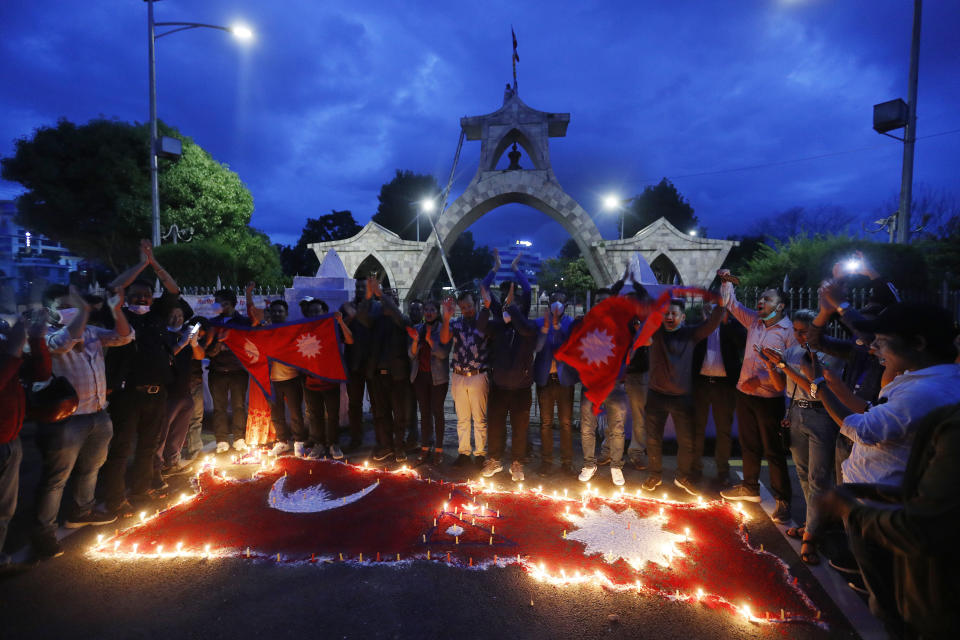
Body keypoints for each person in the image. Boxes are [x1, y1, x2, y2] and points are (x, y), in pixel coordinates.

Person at [817, 401, 960, 638]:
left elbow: (921, 528)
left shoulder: (945, 416)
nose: (883, 361)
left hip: (941, 601)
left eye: (887, 359)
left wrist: (850, 510)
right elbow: (935, 495)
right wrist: (877, 492)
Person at [36, 285, 132, 557]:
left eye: (76, 305)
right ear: (52, 309)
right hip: (66, 420)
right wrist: (84, 311)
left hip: (98, 413)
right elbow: (65, 342)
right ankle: (44, 533)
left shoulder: (91, 333)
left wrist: (115, 310)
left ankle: (81, 511)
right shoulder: (46, 335)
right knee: (56, 477)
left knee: (92, 467)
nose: (75, 310)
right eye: (67, 305)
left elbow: (124, 337)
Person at [100, 239, 182, 512]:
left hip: (157, 393)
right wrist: (140, 263)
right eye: (135, 295)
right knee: (121, 449)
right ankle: (114, 499)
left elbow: (173, 289)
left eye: (146, 296)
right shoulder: (119, 316)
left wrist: (154, 263)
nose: (141, 299)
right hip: (127, 395)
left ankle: (140, 492)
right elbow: (115, 287)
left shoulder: (156, 316)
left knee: (148, 447)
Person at [760, 309, 840, 564]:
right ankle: (812, 524)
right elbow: (780, 386)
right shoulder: (793, 352)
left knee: (818, 478)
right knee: (803, 475)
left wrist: (784, 365)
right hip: (795, 414)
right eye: (795, 331)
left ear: (818, 331)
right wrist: (772, 366)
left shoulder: (832, 356)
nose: (798, 335)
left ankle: (811, 538)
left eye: (803, 331)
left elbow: (814, 389)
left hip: (822, 416)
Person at [717, 269, 796, 525]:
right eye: (760, 298)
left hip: (769, 398)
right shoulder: (754, 322)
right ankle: (749, 487)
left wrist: (761, 379)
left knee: (773, 451)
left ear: (780, 306)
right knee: (748, 445)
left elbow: (791, 369)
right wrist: (727, 281)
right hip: (744, 394)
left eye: (768, 299)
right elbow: (730, 303)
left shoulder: (788, 332)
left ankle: (783, 499)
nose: (760, 302)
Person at [641, 299, 724, 495]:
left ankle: (683, 476)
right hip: (656, 395)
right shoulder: (654, 332)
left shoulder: (690, 334)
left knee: (686, 441)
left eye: (674, 314)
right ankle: (654, 474)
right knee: (653, 440)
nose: (669, 317)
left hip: (682, 397)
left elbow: (711, 324)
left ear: (682, 317)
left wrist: (721, 304)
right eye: (666, 314)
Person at [1, 313, 50, 570]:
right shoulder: (8, 354)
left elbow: (41, 373)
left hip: (10, 438)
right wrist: (13, 350)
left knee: (5, 509)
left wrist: (36, 337)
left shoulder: (8, 350)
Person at [478, 283, 538, 482]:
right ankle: (494, 459)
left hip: (521, 388)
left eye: (515, 306)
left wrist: (512, 307)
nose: (509, 309)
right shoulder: (498, 327)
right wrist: (486, 307)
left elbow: (523, 328)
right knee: (495, 426)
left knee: (520, 429)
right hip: (499, 387)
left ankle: (517, 463)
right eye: (507, 306)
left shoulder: (528, 327)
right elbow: (481, 327)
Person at [691, 302, 746, 486]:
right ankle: (695, 469)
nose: (711, 309)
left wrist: (723, 321)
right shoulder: (698, 326)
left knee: (724, 431)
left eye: (716, 306)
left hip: (724, 385)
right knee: (697, 429)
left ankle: (723, 471)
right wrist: (708, 322)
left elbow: (742, 342)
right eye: (709, 306)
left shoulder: (732, 326)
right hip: (702, 384)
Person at [358, 278, 412, 462]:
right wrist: (368, 295)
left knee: (399, 414)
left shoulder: (402, 319)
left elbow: (396, 314)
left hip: (397, 376)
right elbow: (361, 316)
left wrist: (381, 294)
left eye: (391, 297)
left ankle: (399, 447)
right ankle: (386, 446)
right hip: (377, 376)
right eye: (385, 297)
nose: (387, 300)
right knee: (380, 414)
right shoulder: (376, 320)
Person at [440, 291, 490, 467]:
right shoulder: (456, 324)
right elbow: (444, 339)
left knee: (479, 418)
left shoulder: (484, 323)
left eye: (469, 306)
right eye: (463, 308)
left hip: (478, 374)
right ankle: (464, 452)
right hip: (459, 375)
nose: (467, 310)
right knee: (462, 417)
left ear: (475, 304)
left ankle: (481, 453)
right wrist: (446, 318)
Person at [154, 304, 204, 476]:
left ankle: (172, 461)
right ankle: (156, 467)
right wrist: (183, 343)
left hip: (185, 389)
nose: (177, 320)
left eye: (180, 316)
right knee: (162, 431)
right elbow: (163, 358)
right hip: (168, 391)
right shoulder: (161, 335)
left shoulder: (184, 334)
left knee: (179, 430)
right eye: (173, 316)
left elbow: (200, 356)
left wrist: (194, 342)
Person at [205, 288, 253, 453]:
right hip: (217, 371)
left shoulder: (243, 322)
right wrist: (219, 341)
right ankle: (222, 440)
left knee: (239, 406)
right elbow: (208, 351)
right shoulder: (212, 322)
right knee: (219, 407)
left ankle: (239, 438)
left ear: (233, 303)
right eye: (218, 303)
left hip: (238, 371)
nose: (221, 307)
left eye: (224, 303)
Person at [303, 299, 352, 460]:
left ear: (324, 312)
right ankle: (318, 445)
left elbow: (350, 340)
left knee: (332, 415)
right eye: (312, 311)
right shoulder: (303, 330)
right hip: (311, 380)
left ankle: (333, 444)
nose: (315, 314)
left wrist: (340, 322)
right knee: (315, 416)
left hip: (330, 380)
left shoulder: (333, 327)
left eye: (318, 311)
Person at [533, 300, 577, 476]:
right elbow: (537, 346)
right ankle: (546, 461)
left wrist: (558, 328)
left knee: (566, 423)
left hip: (564, 379)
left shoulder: (570, 322)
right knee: (546, 423)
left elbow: (570, 344)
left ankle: (567, 462)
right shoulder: (539, 322)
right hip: (546, 379)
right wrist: (545, 329)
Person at [407, 300, 450, 466]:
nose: (429, 312)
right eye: (426, 309)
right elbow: (411, 355)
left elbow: (443, 353)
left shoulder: (443, 329)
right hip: (420, 376)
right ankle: (425, 446)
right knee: (424, 413)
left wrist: (430, 341)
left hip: (438, 377)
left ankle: (439, 448)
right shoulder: (418, 328)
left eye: (432, 309)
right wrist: (417, 341)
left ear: (437, 312)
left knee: (437, 412)